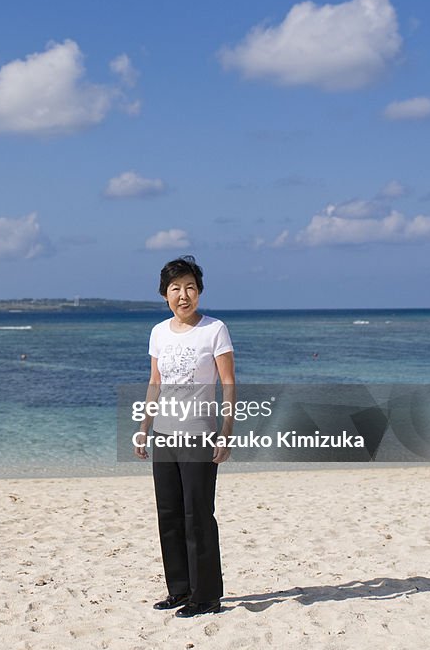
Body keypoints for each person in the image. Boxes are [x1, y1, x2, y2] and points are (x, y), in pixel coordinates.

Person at [134, 255, 235, 618]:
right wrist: (143, 428)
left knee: (198, 515)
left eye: (190, 287)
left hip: (200, 436)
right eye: (175, 288)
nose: (183, 295)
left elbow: (228, 383)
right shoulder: (159, 332)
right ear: (164, 294)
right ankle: (179, 590)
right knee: (169, 515)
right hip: (163, 433)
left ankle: (206, 595)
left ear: (199, 291)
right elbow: (154, 383)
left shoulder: (214, 329)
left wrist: (226, 432)